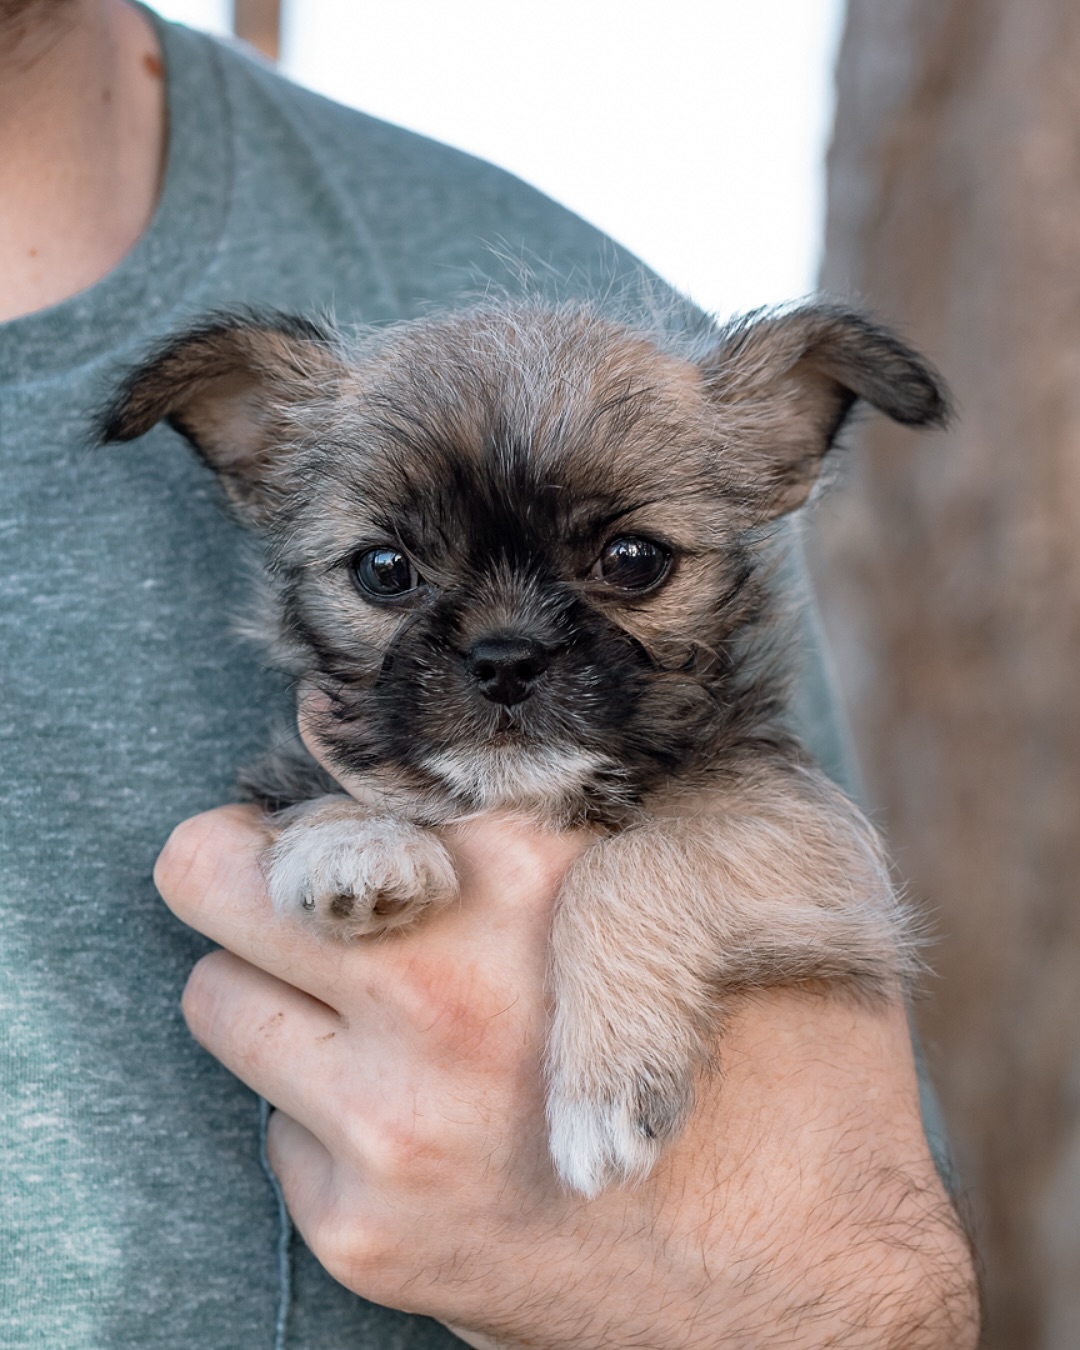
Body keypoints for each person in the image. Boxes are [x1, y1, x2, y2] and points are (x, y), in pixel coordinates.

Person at [0, 1, 979, 1345]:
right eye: (391, 579)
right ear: (250, 462)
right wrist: (341, 825)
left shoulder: (602, 288)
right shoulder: (310, 419)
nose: (509, 649)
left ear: (780, 454)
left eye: (631, 563)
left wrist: (812, 1288)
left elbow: (820, 887)